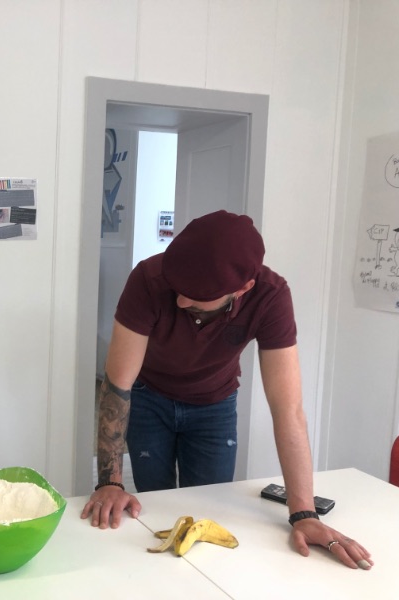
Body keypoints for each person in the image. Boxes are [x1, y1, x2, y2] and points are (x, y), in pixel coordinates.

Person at [80, 211, 373, 570]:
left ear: (243, 288)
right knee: (153, 506)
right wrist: (109, 482)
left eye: (196, 296)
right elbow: (117, 386)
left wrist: (304, 513)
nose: (180, 301)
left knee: (209, 509)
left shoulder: (270, 295)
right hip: (149, 396)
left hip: (214, 405)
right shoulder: (148, 278)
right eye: (178, 288)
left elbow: (288, 409)